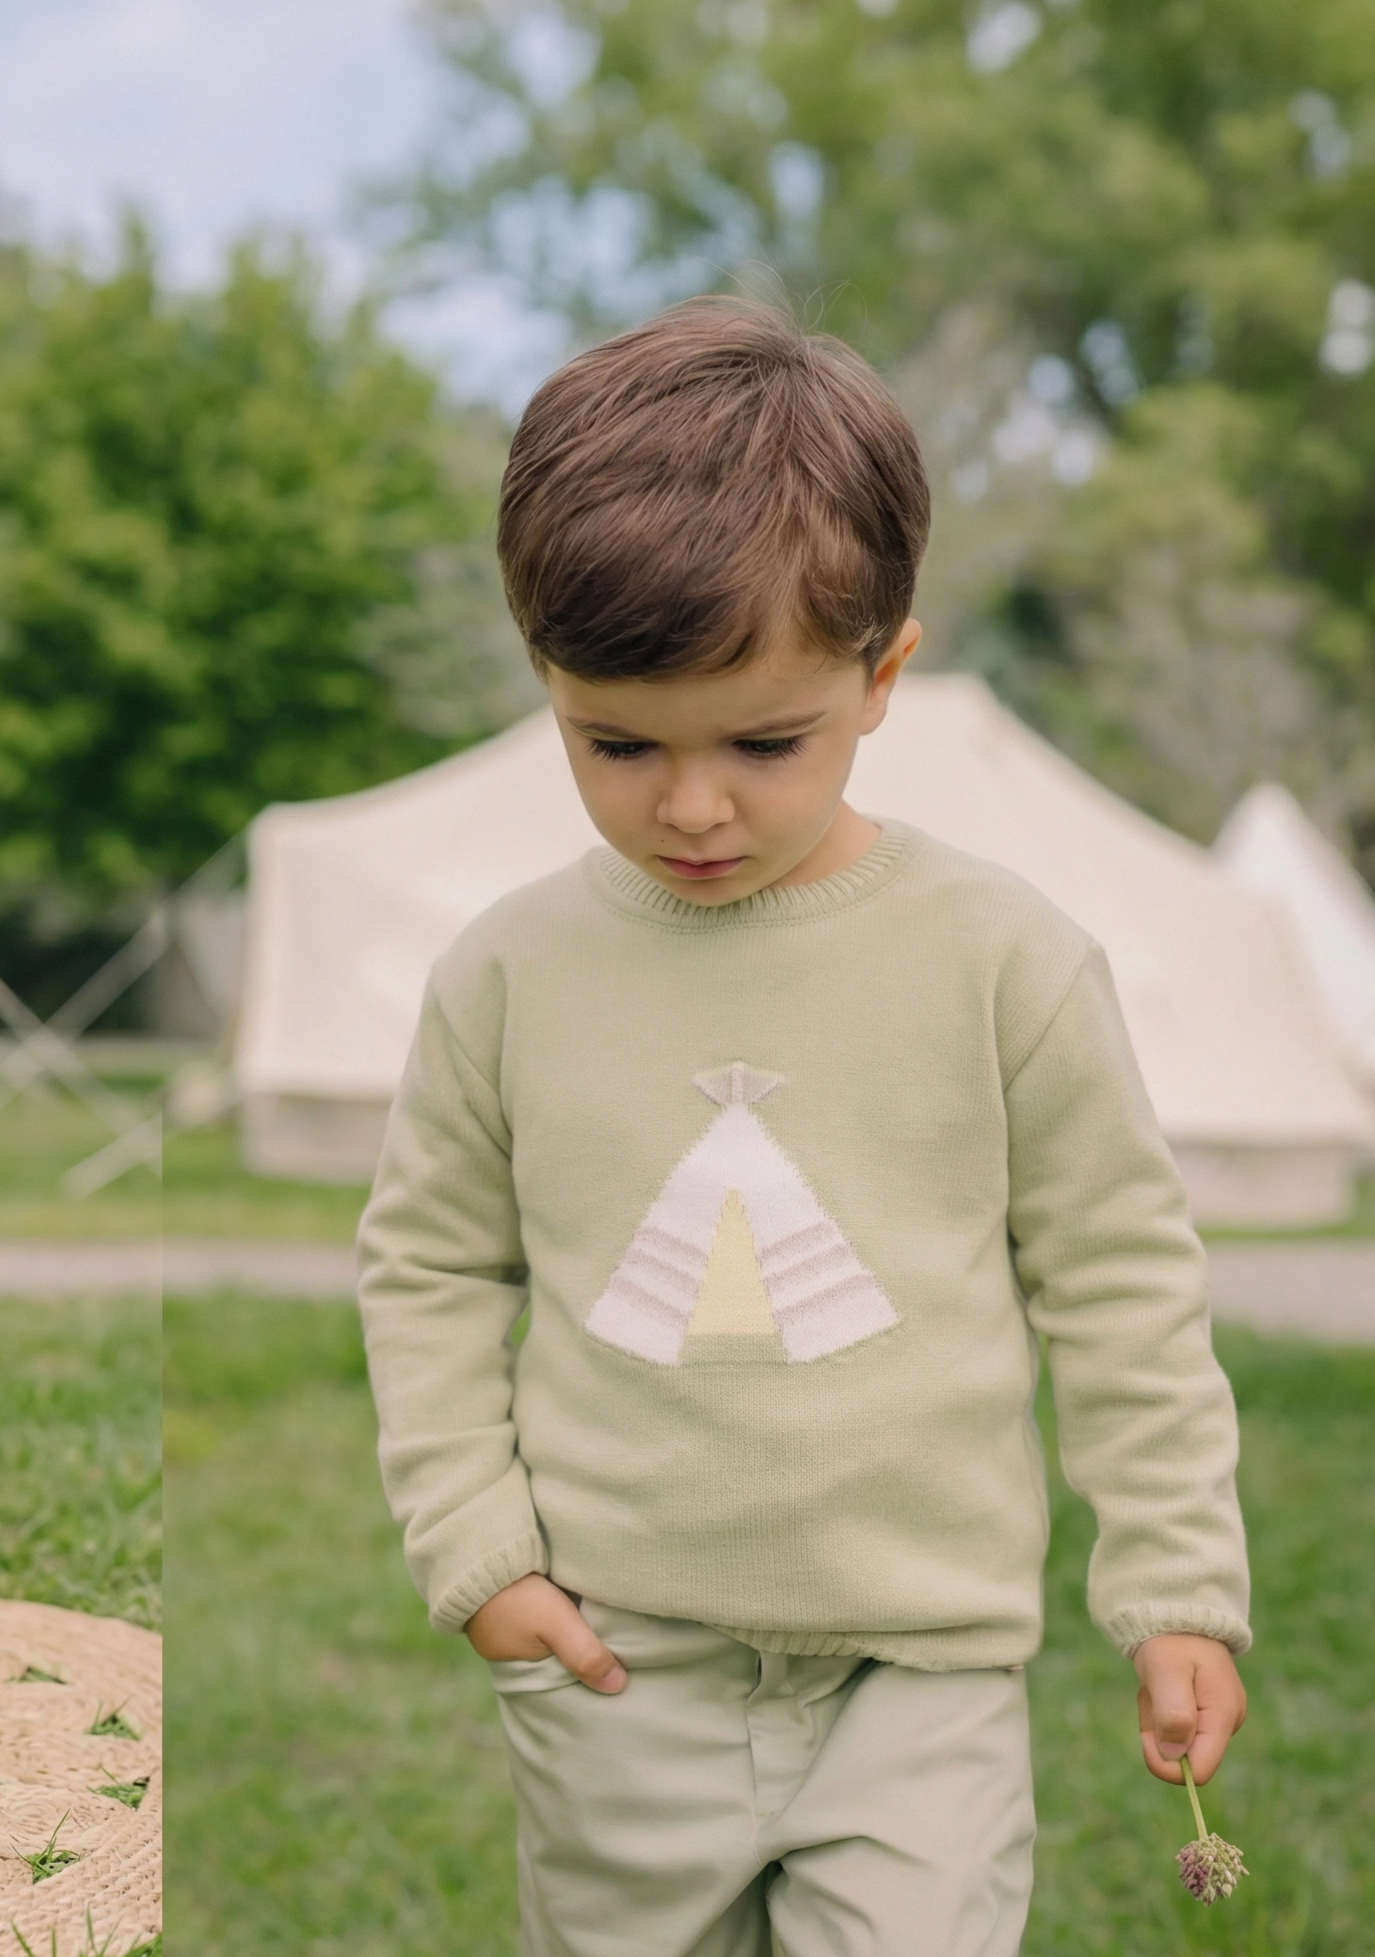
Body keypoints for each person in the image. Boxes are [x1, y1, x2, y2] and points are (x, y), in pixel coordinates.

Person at [356, 299, 1250, 1957]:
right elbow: (425, 1269)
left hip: (922, 1677)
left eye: (765, 744)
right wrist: (480, 1554)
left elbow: (1122, 1283)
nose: (690, 807)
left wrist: (1175, 1584)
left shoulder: (1006, 964)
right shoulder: (504, 977)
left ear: (884, 672)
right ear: (544, 683)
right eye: (615, 743)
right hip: (617, 1665)